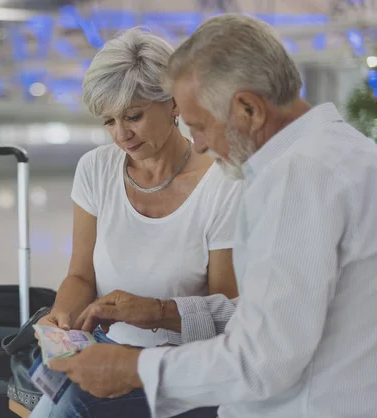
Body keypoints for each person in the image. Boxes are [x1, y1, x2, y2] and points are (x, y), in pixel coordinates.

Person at [48, 13, 377, 418]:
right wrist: (160, 312)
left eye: (200, 125)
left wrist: (136, 369)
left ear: (247, 109)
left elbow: (261, 360)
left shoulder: (296, 179)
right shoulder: (346, 152)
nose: (200, 145)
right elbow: (275, 311)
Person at [29, 27, 243, 418]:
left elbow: (226, 311)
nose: (121, 135)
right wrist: (63, 316)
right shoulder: (96, 170)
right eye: (108, 122)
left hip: (181, 366)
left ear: (174, 103)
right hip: (103, 351)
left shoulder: (223, 185)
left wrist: (151, 324)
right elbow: (80, 276)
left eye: (133, 116)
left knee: (67, 409)